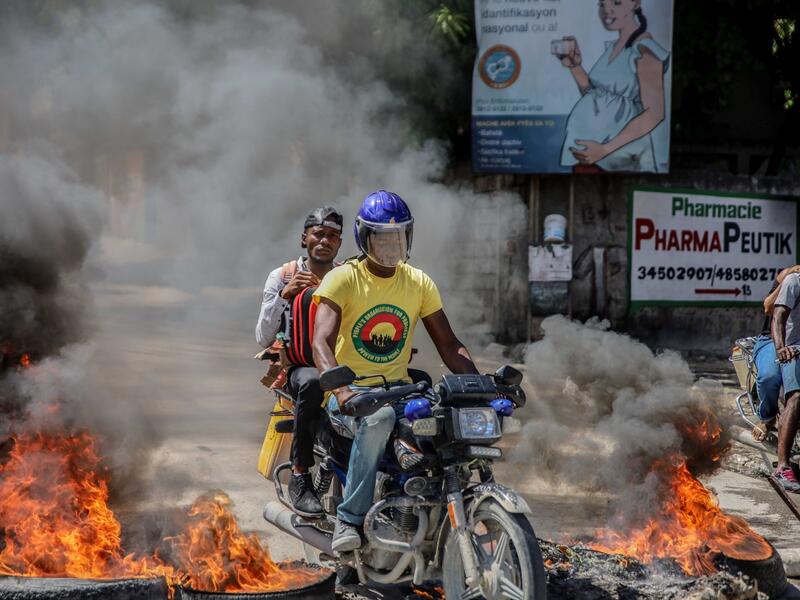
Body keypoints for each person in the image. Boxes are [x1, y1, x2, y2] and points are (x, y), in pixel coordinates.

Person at [312, 190, 480, 552]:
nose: (391, 246)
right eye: (381, 238)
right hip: (354, 396)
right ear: (364, 238)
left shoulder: (419, 282)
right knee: (379, 420)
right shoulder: (343, 279)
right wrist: (342, 391)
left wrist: (478, 385)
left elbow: (449, 345)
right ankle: (349, 518)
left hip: (403, 391)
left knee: (449, 422)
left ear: (408, 237)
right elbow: (321, 342)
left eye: (398, 237)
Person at [255, 206, 343, 516]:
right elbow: (263, 337)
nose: (324, 241)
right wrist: (285, 297)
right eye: (318, 234)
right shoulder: (282, 276)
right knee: (312, 381)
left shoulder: (348, 275)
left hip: (344, 363)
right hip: (300, 365)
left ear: (340, 243)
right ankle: (301, 475)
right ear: (303, 238)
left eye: (333, 236)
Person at [555, 0, 669, 172]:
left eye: (616, 3)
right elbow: (595, 97)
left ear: (635, 4)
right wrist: (575, 66)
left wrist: (604, 149)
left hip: (617, 159)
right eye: (602, 4)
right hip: (588, 153)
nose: (607, 10)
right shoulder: (614, 47)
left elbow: (655, 113)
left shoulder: (645, 49)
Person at [752, 266, 800, 442]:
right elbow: (768, 308)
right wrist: (786, 279)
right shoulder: (792, 277)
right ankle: (768, 417)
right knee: (769, 376)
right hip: (773, 340)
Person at [771, 270, 800, 492]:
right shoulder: (794, 281)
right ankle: (783, 466)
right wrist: (781, 348)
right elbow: (778, 315)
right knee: (796, 397)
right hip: (793, 350)